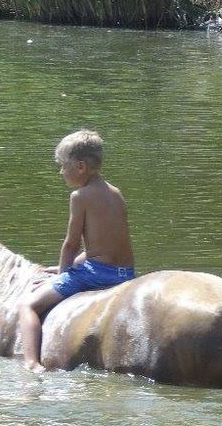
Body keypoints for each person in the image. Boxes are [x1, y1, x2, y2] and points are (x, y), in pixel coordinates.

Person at [19, 130, 135, 372]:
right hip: (125, 274)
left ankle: (31, 363)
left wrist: (62, 275)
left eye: (63, 165)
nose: (61, 171)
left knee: (28, 305)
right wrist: (75, 264)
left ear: (80, 166)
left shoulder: (80, 196)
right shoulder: (116, 194)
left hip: (98, 274)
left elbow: (71, 244)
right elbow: (104, 246)